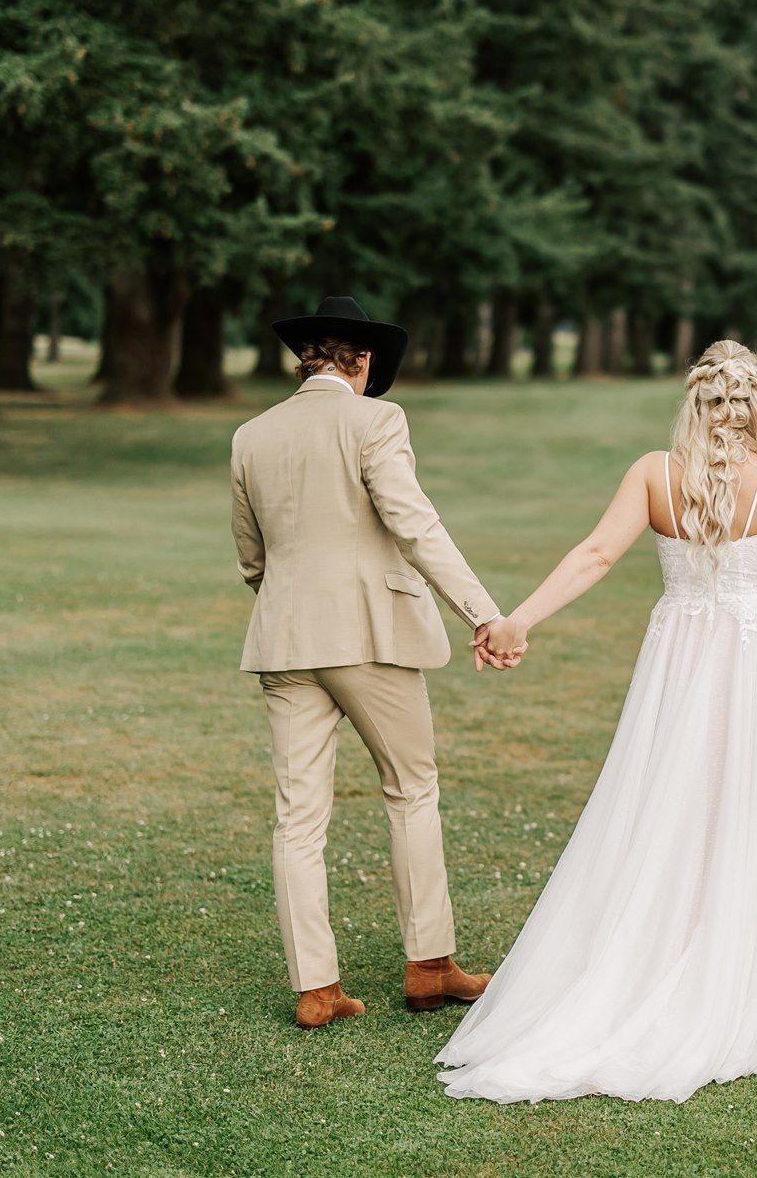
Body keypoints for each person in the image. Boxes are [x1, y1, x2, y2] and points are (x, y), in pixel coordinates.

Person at [435, 340, 757, 1103]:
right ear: (756, 403)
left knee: (672, 799)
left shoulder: (653, 473)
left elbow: (594, 554)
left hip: (681, 655)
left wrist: (518, 618)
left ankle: (667, 949)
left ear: (694, 401)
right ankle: (744, 965)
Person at [229, 296, 527, 1029]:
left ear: (308, 357)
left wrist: (294, 600)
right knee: (411, 788)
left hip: (285, 637)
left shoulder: (251, 434)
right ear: (359, 360)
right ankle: (429, 966)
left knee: (298, 818)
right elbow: (413, 522)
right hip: (370, 635)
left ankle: (316, 987)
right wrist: (484, 612)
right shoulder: (376, 420)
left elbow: (251, 556)